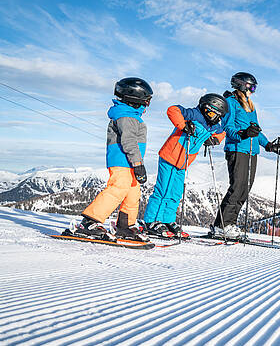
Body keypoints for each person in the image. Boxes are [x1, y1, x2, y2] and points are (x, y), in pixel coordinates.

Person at [72, 77, 153, 242]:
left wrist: (137, 163)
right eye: (146, 100)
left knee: (133, 192)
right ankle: (89, 222)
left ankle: (126, 225)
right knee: (118, 188)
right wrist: (138, 164)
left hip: (130, 161)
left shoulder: (131, 115)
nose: (147, 104)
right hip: (122, 160)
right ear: (135, 99)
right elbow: (129, 142)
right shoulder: (126, 116)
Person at [143, 93, 228, 239]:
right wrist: (183, 125)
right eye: (217, 115)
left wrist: (214, 140)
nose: (218, 119)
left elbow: (222, 132)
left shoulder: (213, 125)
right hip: (170, 157)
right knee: (163, 190)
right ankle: (151, 221)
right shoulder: (194, 114)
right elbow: (172, 110)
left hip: (183, 163)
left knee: (175, 193)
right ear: (208, 109)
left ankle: (167, 220)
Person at [211, 72, 280, 239]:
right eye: (252, 87)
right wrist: (243, 134)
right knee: (237, 187)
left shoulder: (250, 106)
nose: (253, 91)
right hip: (237, 149)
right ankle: (222, 225)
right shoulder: (230, 102)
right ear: (242, 85)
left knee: (244, 190)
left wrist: (269, 145)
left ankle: (229, 223)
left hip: (252, 152)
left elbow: (256, 129)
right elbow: (227, 127)